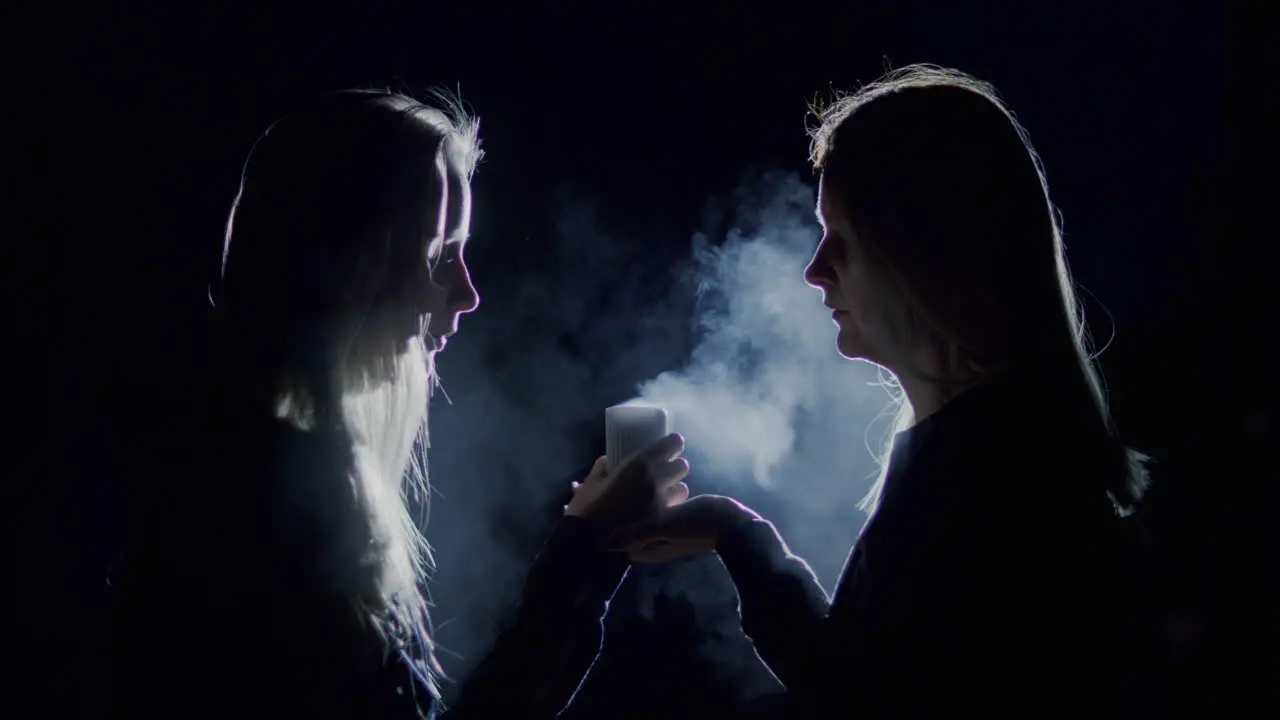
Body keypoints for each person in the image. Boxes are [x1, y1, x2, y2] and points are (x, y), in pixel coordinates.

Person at [105, 89, 689, 719]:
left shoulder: (230, 468)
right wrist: (580, 562)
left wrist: (584, 557)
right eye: (440, 256)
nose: (467, 295)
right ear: (342, 262)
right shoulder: (265, 506)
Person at [613, 65, 1156, 716]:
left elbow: (859, 697)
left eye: (841, 238)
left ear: (921, 252)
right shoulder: (988, 451)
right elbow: (862, 673)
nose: (815, 270)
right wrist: (735, 533)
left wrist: (740, 541)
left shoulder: (997, 482)